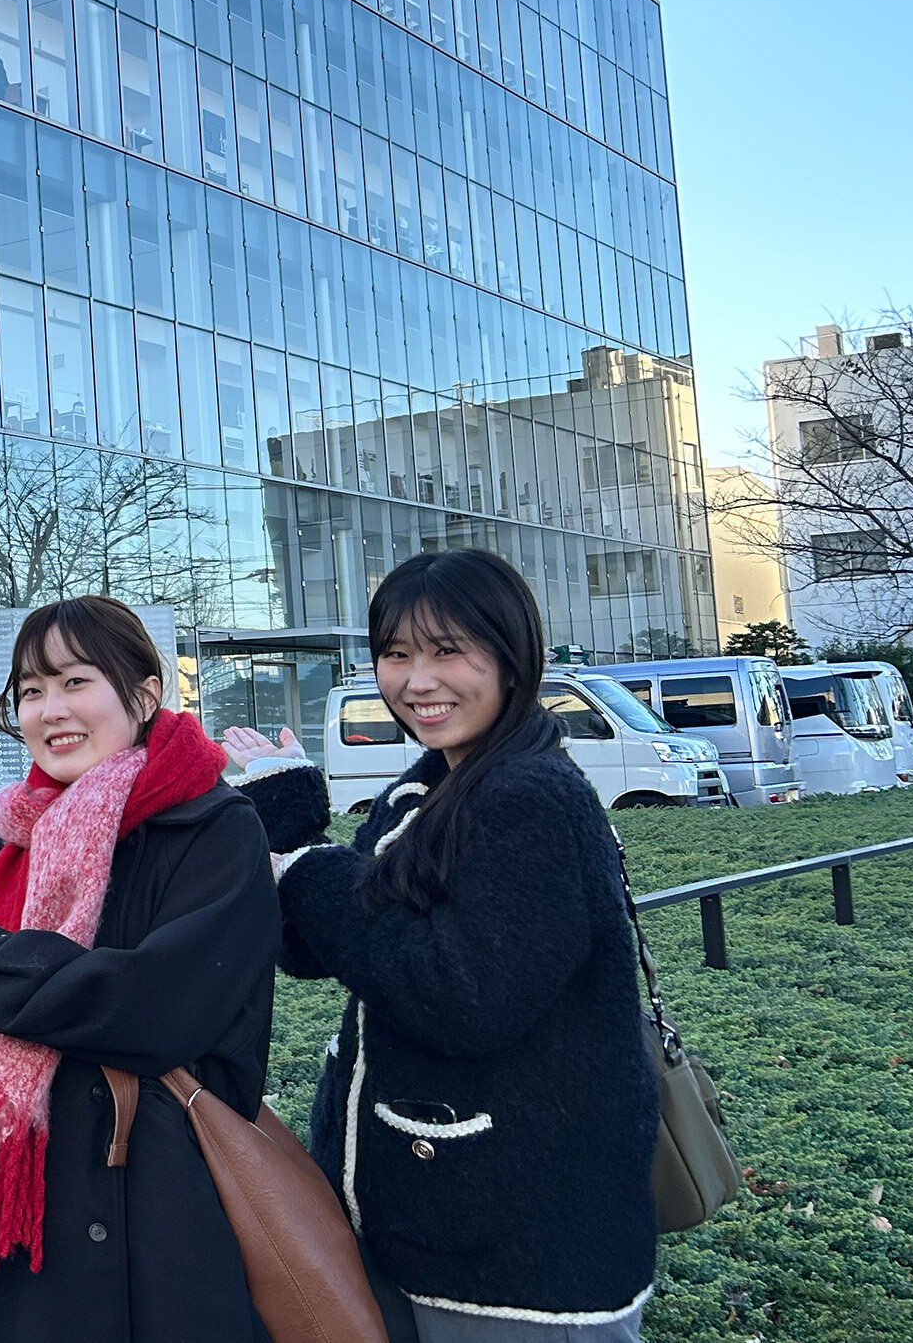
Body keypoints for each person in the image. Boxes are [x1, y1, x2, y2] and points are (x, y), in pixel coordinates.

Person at [220, 548, 659, 1341]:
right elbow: (319, 948)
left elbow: (462, 997)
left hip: (521, 1259)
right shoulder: (434, 783)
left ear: (511, 656)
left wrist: (308, 863)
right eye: (395, 654)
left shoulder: (531, 798)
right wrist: (287, 827)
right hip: (431, 1226)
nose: (417, 681)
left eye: (447, 650)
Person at [0, 595, 279, 1343]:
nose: (49, 709)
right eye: (31, 691)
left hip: (162, 1231)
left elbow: (151, 1010)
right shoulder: (7, 854)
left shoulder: (214, 831)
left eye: (74, 682)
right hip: (23, 1231)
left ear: (144, 696)